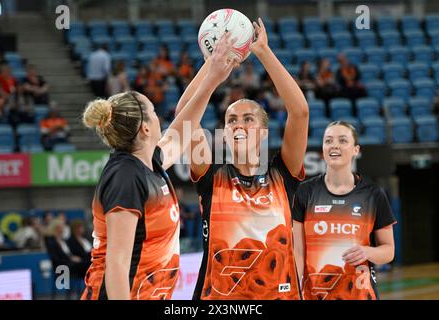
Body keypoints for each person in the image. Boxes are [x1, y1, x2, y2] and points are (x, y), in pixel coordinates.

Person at [80, 34, 239, 300]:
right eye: (153, 112)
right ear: (144, 128)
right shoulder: (125, 176)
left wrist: (212, 69)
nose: (159, 117)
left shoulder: (149, 163)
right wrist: (212, 77)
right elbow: (117, 266)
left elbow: (185, 124)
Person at [175, 19, 309, 300]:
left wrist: (264, 52)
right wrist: (212, 68)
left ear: (262, 133)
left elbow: (300, 112)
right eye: (232, 120)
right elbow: (183, 115)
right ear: (224, 134)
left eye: (248, 120)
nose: (238, 125)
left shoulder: (282, 175)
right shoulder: (212, 174)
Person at [292, 121, 396, 300]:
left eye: (342, 140)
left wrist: (368, 252)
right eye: (329, 141)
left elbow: (388, 251)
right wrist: (295, 290)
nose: (334, 146)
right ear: (323, 149)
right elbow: (298, 251)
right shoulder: (305, 191)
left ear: (356, 149)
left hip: (360, 294)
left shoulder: (373, 194)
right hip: (315, 295)